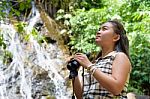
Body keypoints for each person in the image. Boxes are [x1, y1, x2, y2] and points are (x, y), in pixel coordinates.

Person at [71, 20, 131, 99]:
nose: (98, 32)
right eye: (99, 29)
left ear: (116, 37)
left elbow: (116, 88)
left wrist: (89, 66)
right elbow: (80, 96)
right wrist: (74, 73)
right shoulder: (95, 63)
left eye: (104, 29)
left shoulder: (120, 56)